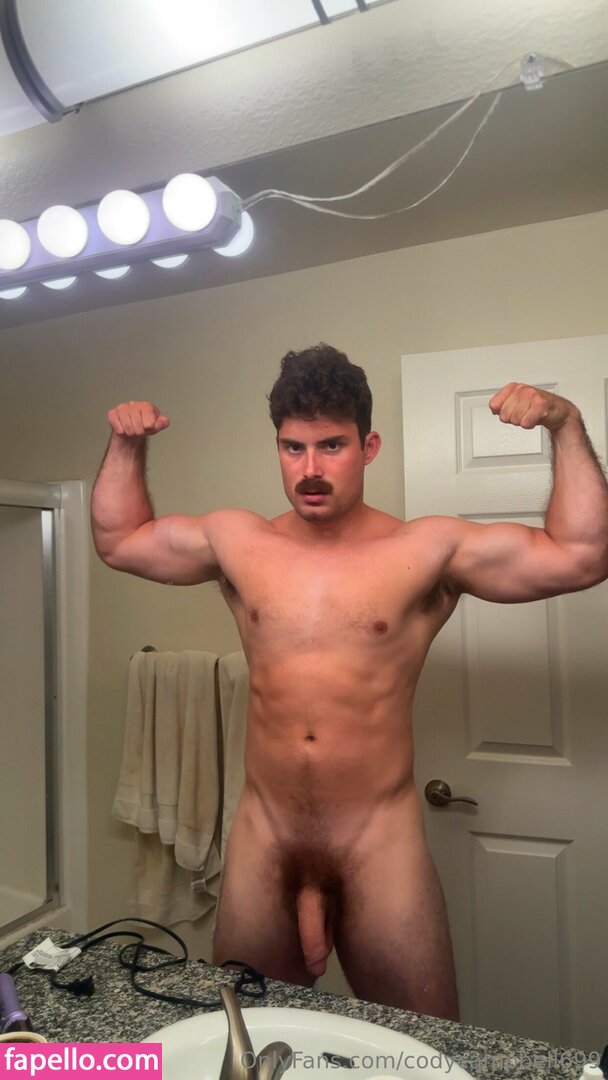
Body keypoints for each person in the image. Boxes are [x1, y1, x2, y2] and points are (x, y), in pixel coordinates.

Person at [91, 343, 608, 1020]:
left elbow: (582, 555)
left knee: (422, 1044)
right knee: (245, 1039)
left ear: (369, 447)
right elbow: (120, 540)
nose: (310, 469)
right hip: (265, 837)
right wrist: (126, 444)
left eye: (331, 446)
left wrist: (564, 424)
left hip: (378, 842)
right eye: (293, 448)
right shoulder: (238, 540)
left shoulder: (426, 549)